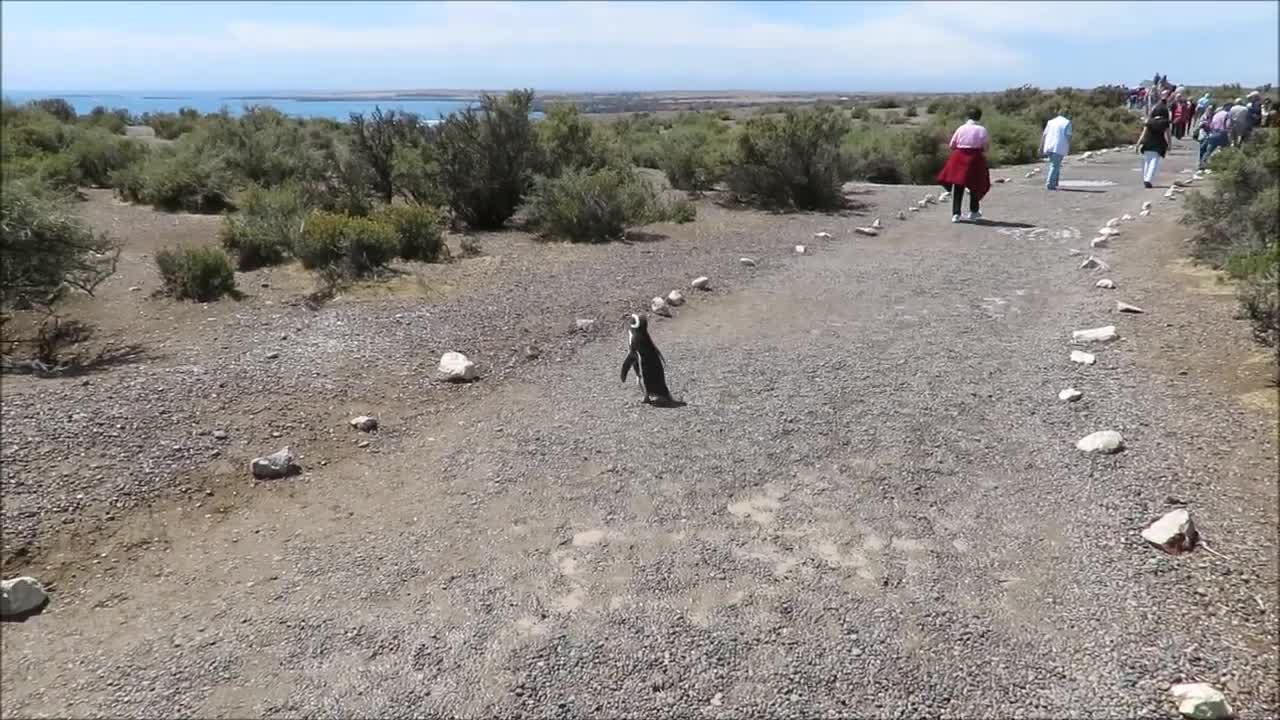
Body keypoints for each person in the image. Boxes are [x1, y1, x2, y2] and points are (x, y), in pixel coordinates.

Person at [936, 107, 992, 223]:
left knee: (958, 185)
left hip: (959, 157)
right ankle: (974, 211)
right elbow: (986, 147)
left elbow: (952, 145)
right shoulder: (981, 130)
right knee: (975, 184)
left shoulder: (961, 128)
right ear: (979, 117)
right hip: (975, 158)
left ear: (968, 116)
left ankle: (956, 214)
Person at [1137, 103, 1171, 188]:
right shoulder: (1165, 122)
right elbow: (1168, 135)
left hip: (1148, 143)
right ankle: (1148, 179)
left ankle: (1145, 179)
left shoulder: (1149, 121)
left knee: (1147, 162)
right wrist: (1170, 144)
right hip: (1159, 144)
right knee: (1154, 163)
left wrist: (1138, 144)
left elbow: (1143, 134)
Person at [1041, 109, 1072, 190]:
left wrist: (1041, 146)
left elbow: (1044, 135)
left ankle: (1055, 182)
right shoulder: (1067, 122)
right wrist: (1069, 145)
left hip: (1048, 146)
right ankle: (1050, 184)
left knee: (1055, 164)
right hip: (1058, 147)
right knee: (1055, 165)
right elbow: (1068, 136)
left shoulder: (1051, 122)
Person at [1200, 102, 1233, 168]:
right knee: (1226, 149)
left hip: (1213, 133)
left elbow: (1211, 125)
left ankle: (1202, 165)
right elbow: (1228, 125)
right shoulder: (1227, 114)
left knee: (1209, 150)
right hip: (1222, 134)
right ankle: (1225, 165)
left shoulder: (1216, 114)